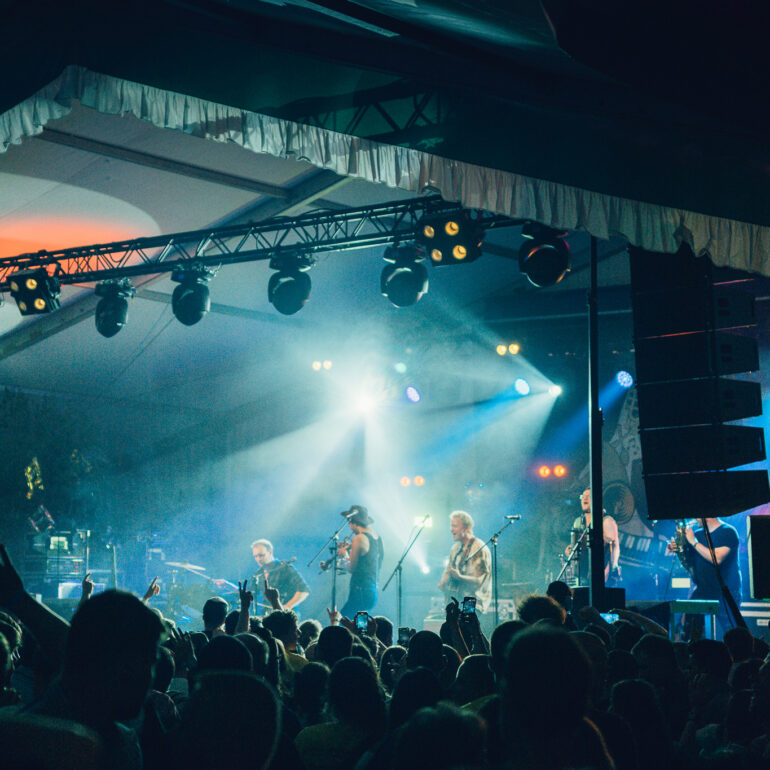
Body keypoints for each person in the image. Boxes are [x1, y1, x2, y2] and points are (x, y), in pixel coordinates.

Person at [667, 517, 741, 639]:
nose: (696, 519)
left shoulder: (728, 532)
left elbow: (717, 559)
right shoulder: (698, 534)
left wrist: (694, 542)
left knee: (732, 634)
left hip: (726, 594)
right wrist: (677, 550)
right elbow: (689, 564)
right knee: (691, 631)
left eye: (698, 516)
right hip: (702, 591)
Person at [437, 511, 491, 612]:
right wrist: (444, 581)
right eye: (451, 526)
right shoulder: (455, 548)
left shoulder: (479, 548)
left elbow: (479, 581)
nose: (451, 529)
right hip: (456, 600)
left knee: (466, 626)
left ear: (466, 528)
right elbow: (448, 570)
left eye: (455, 526)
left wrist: (460, 577)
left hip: (473, 602)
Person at [567, 489, 621, 586]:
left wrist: (612, 569)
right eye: (583, 496)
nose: (585, 498)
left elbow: (612, 548)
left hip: (601, 575)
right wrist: (570, 550)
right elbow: (575, 545)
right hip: (581, 575)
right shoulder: (578, 522)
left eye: (588, 496)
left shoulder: (606, 521)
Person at [337, 506, 383, 618]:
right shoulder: (377, 537)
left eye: (349, 522)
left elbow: (351, 568)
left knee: (344, 622)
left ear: (353, 522)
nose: (348, 525)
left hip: (360, 590)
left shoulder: (359, 538)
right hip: (372, 589)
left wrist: (345, 554)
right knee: (360, 626)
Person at [251, 538, 310, 612]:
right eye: (255, 556)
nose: (258, 559)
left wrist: (287, 606)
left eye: (261, 555)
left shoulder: (285, 568)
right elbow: (251, 593)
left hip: (287, 615)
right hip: (268, 615)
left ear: (270, 552)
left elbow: (304, 590)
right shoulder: (258, 574)